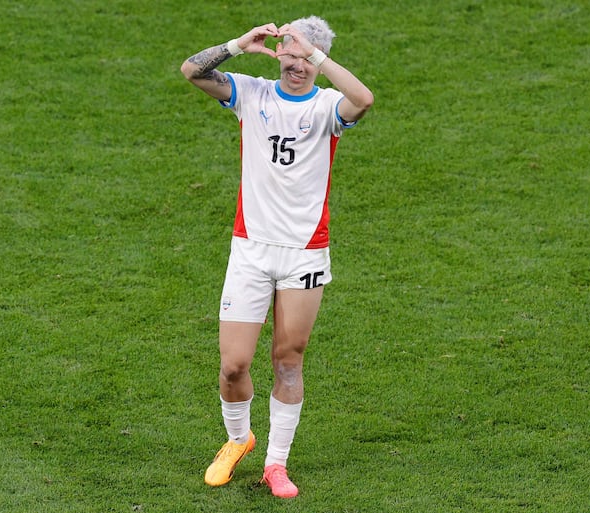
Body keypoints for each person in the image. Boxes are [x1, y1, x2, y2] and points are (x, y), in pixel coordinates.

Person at [180, 15, 373, 498]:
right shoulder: (253, 93)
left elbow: (364, 99)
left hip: (305, 254)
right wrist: (237, 45)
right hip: (251, 251)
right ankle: (238, 439)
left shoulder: (329, 107)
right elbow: (192, 71)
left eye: (305, 57)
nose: (295, 65)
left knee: (288, 360)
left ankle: (276, 463)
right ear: (278, 53)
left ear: (317, 60)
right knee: (234, 365)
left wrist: (318, 56)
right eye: (289, 53)